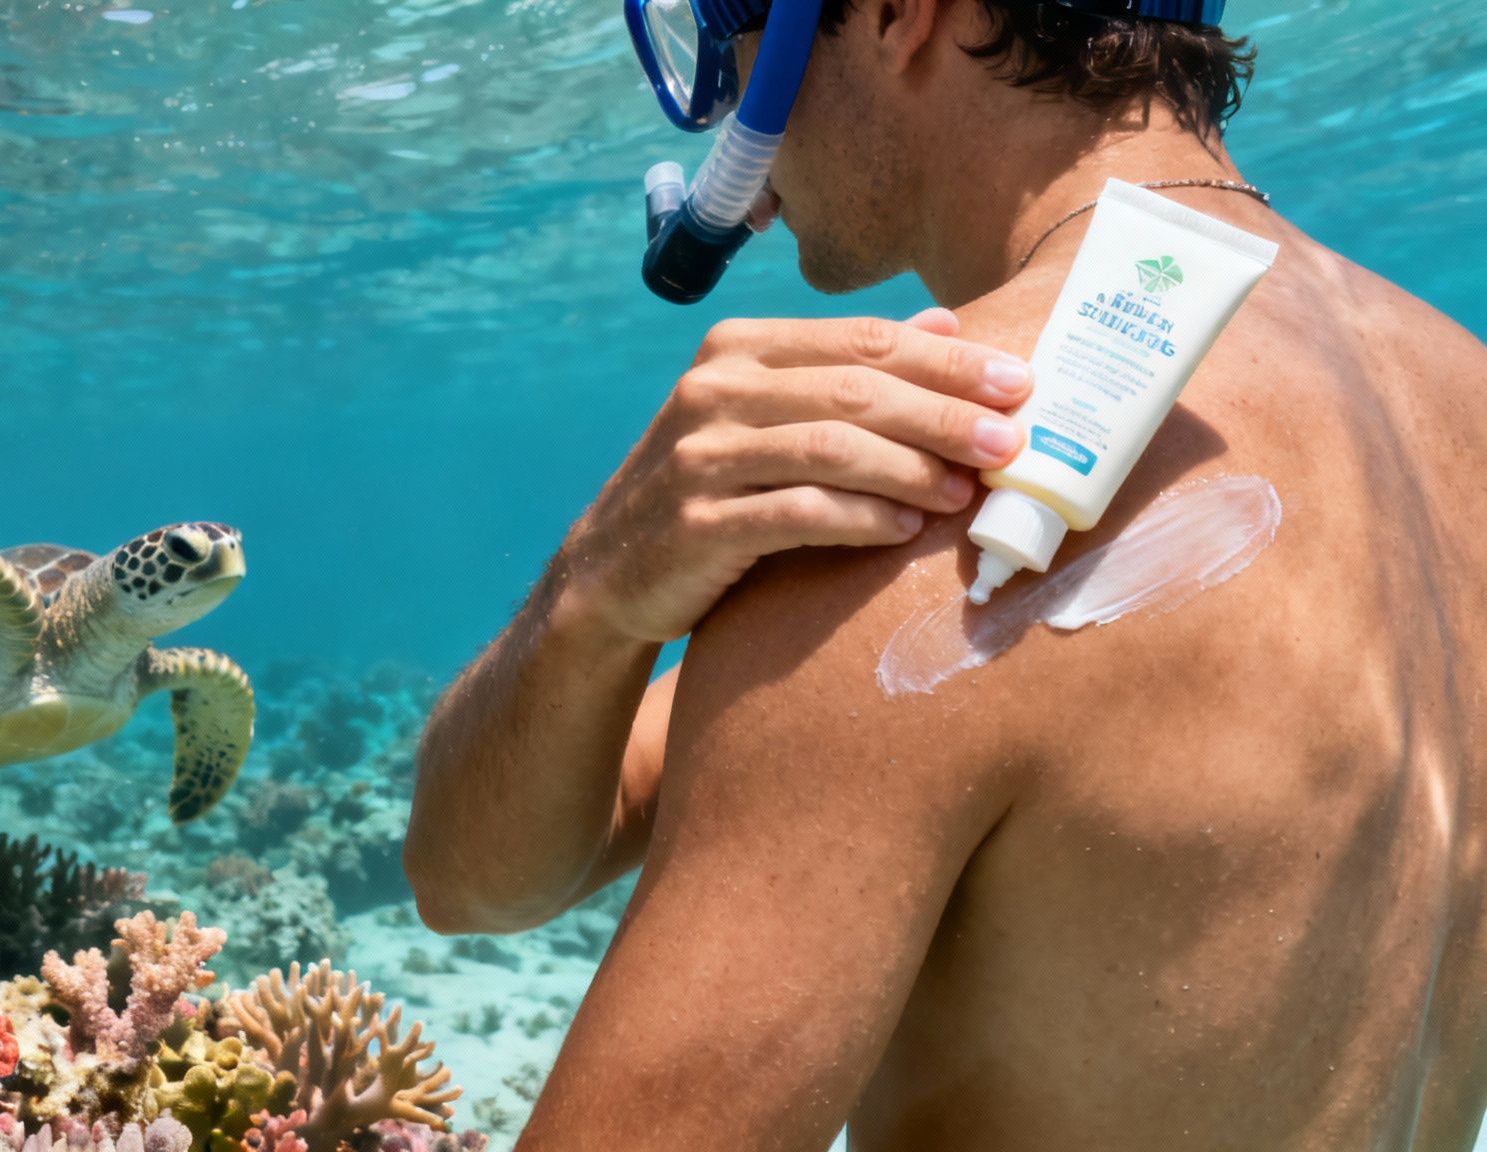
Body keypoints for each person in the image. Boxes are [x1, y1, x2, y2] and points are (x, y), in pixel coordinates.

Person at [402, 0, 1487, 1147]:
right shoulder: (1461, 400)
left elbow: (468, 908)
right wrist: (592, 596)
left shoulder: (928, 490)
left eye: (721, 26)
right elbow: (474, 876)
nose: (719, 95)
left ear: (897, 13)